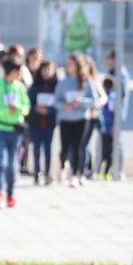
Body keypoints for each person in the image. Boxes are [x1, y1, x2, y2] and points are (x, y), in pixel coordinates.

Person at [0, 57, 29, 207]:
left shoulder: (19, 87)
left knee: (12, 164)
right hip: (0, 128)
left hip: (15, 129)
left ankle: (11, 193)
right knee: (1, 162)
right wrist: (5, 111)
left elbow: (26, 106)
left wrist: (18, 109)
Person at [54, 53, 103, 188]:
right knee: (65, 147)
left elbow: (94, 101)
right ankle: (64, 165)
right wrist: (65, 106)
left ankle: (76, 174)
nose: (69, 66)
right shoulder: (63, 83)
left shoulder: (87, 82)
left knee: (79, 147)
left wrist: (82, 102)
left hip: (82, 119)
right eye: (67, 63)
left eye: (71, 63)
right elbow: (56, 101)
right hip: (66, 119)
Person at [26, 58, 60, 186]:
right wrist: (36, 108)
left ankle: (48, 173)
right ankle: (36, 172)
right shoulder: (35, 87)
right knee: (36, 148)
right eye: (44, 69)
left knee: (48, 148)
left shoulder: (57, 87)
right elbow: (28, 102)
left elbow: (58, 104)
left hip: (49, 122)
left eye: (50, 69)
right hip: (35, 122)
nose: (47, 72)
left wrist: (49, 110)